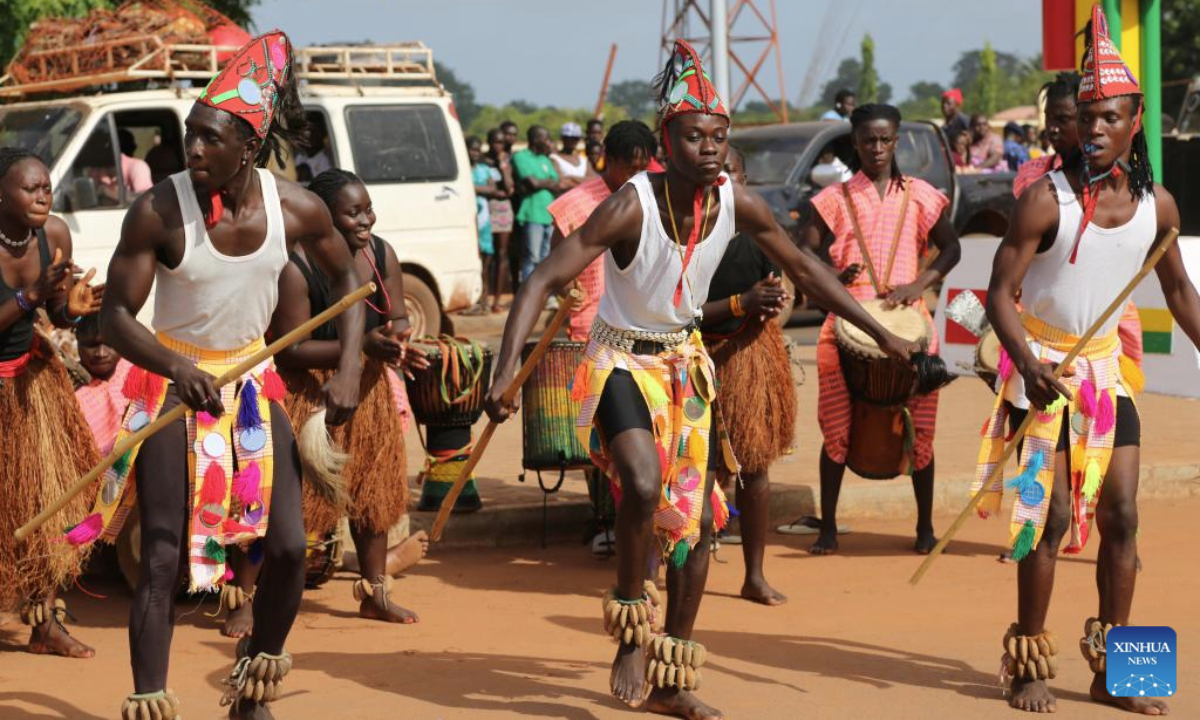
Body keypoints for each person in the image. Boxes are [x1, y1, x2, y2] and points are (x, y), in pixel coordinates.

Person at [484, 40, 917, 720]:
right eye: (694, 136)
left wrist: (883, 330)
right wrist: (507, 365)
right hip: (620, 362)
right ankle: (631, 622)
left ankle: (672, 673)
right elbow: (543, 276)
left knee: (696, 525)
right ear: (666, 140)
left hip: (686, 364)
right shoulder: (631, 205)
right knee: (645, 483)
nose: (709, 147)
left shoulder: (736, 202)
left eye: (718, 136)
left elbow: (807, 272)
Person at [70, 31, 366, 719]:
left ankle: (252, 685)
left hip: (253, 387)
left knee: (290, 548)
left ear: (249, 147)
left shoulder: (296, 208)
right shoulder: (159, 210)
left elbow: (351, 281)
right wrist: (175, 366)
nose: (192, 150)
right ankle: (149, 700)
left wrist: (350, 364)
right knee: (167, 554)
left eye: (208, 139)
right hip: (170, 384)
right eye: (188, 135)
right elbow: (115, 317)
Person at [972, 9, 1200, 714]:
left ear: (1135, 123)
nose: (1095, 128)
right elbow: (999, 293)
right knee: (1052, 516)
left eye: (1110, 118)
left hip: (1104, 375)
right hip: (1040, 370)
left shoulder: (1157, 205)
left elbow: (1180, 291)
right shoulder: (1046, 201)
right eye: (1088, 117)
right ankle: (1028, 659)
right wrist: (1026, 365)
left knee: (1125, 515)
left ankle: (1119, 671)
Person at [270, 168, 429, 626]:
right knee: (298, 501)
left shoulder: (381, 253)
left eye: (368, 209)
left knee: (371, 495)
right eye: (352, 213)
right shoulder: (295, 265)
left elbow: (396, 319)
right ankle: (258, 598)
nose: (366, 221)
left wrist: (401, 343)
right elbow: (291, 347)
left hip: (369, 388)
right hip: (310, 390)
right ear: (323, 218)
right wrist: (361, 345)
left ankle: (375, 592)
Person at [801, 103, 962, 556]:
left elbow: (951, 249)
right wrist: (833, 278)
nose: (876, 147)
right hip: (845, 324)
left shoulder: (921, 194)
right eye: (868, 139)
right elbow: (804, 252)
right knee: (836, 428)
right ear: (855, 142)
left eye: (884, 139)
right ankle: (828, 527)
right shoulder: (835, 197)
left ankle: (925, 528)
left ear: (896, 141)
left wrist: (919, 282)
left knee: (922, 428)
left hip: (911, 327)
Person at [0, 147, 104, 660]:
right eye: (30, 188)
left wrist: (71, 310)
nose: (43, 196)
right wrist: (28, 296)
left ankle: (45, 625)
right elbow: (29, 300)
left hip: (35, 383)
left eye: (46, 187)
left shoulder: (54, 234)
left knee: (45, 503)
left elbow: (58, 312)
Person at [699, 145, 792, 606]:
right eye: (717, 174)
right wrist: (740, 304)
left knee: (754, 467)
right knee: (691, 469)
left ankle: (754, 574)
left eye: (731, 173)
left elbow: (779, 289)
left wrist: (769, 304)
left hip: (748, 355)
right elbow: (673, 311)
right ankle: (664, 567)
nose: (723, 182)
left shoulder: (758, 233)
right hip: (690, 357)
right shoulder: (685, 235)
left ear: (745, 180)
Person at [1014, 72, 1145, 381]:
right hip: (1041, 323)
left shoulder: (1127, 186)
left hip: (1107, 322)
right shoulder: (1032, 177)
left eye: (1065, 119)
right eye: (1049, 119)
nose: (1053, 128)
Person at [548, 120, 657, 342]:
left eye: (643, 168)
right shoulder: (574, 204)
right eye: (631, 168)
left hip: (644, 322)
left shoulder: (655, 198)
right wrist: (568, 288)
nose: (638, 175)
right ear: (609, 159)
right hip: (593, 323)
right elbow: (554, 262)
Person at [74, 312, 133, 455]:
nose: (101, 353)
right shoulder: (71, 394)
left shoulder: (136, 372)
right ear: (78, 344)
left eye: (109, 344)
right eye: (91, 345)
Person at [512, 125, 561, 282]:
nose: (548, 142)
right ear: (535, 139)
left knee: (546, 259)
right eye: (545, 138)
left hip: (548, 215)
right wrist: (546, 182)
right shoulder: (521, 157)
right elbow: (532, 183)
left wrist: (541, 182)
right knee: (531, 256)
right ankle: (527, 292)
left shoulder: (544, 159)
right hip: (532, 214)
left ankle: (543, 295)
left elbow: (557, 182)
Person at [468, 136, 502, 313]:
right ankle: (474, 298)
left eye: (477, 149)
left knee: (487, 260)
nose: (474, 153)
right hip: (469, 218)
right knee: (474, 258)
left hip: (484, 220)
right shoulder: (463, 169)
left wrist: (471, 187)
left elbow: (493, 188)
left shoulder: (483, 169)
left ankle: (484, 299)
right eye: (472, 149)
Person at [485, 128, 516, 311]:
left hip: (503, 210)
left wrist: (502, 165)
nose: (498, 146)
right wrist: (496, 192)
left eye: (501, 143)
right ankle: (484, 299)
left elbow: (509, 188)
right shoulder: (482, 161)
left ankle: (496, 301)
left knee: (501, 254)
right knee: (486, 256)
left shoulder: (505, 162)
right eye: (495, 142)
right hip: (485, 209)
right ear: (489, 142)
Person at [551, 122, 594, 190]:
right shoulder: (554, 158)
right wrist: (584, 181)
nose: (573, 141)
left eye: (576, 138)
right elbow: (561, 183)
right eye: (569, 138)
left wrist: (571, 178)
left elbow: (593, 180)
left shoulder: (583, 159)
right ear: (563, 138)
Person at [119, 129, 154, 196]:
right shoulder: (137, 165)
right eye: (131, 142)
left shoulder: (137, 166)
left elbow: (146, 197)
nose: (135, 146)